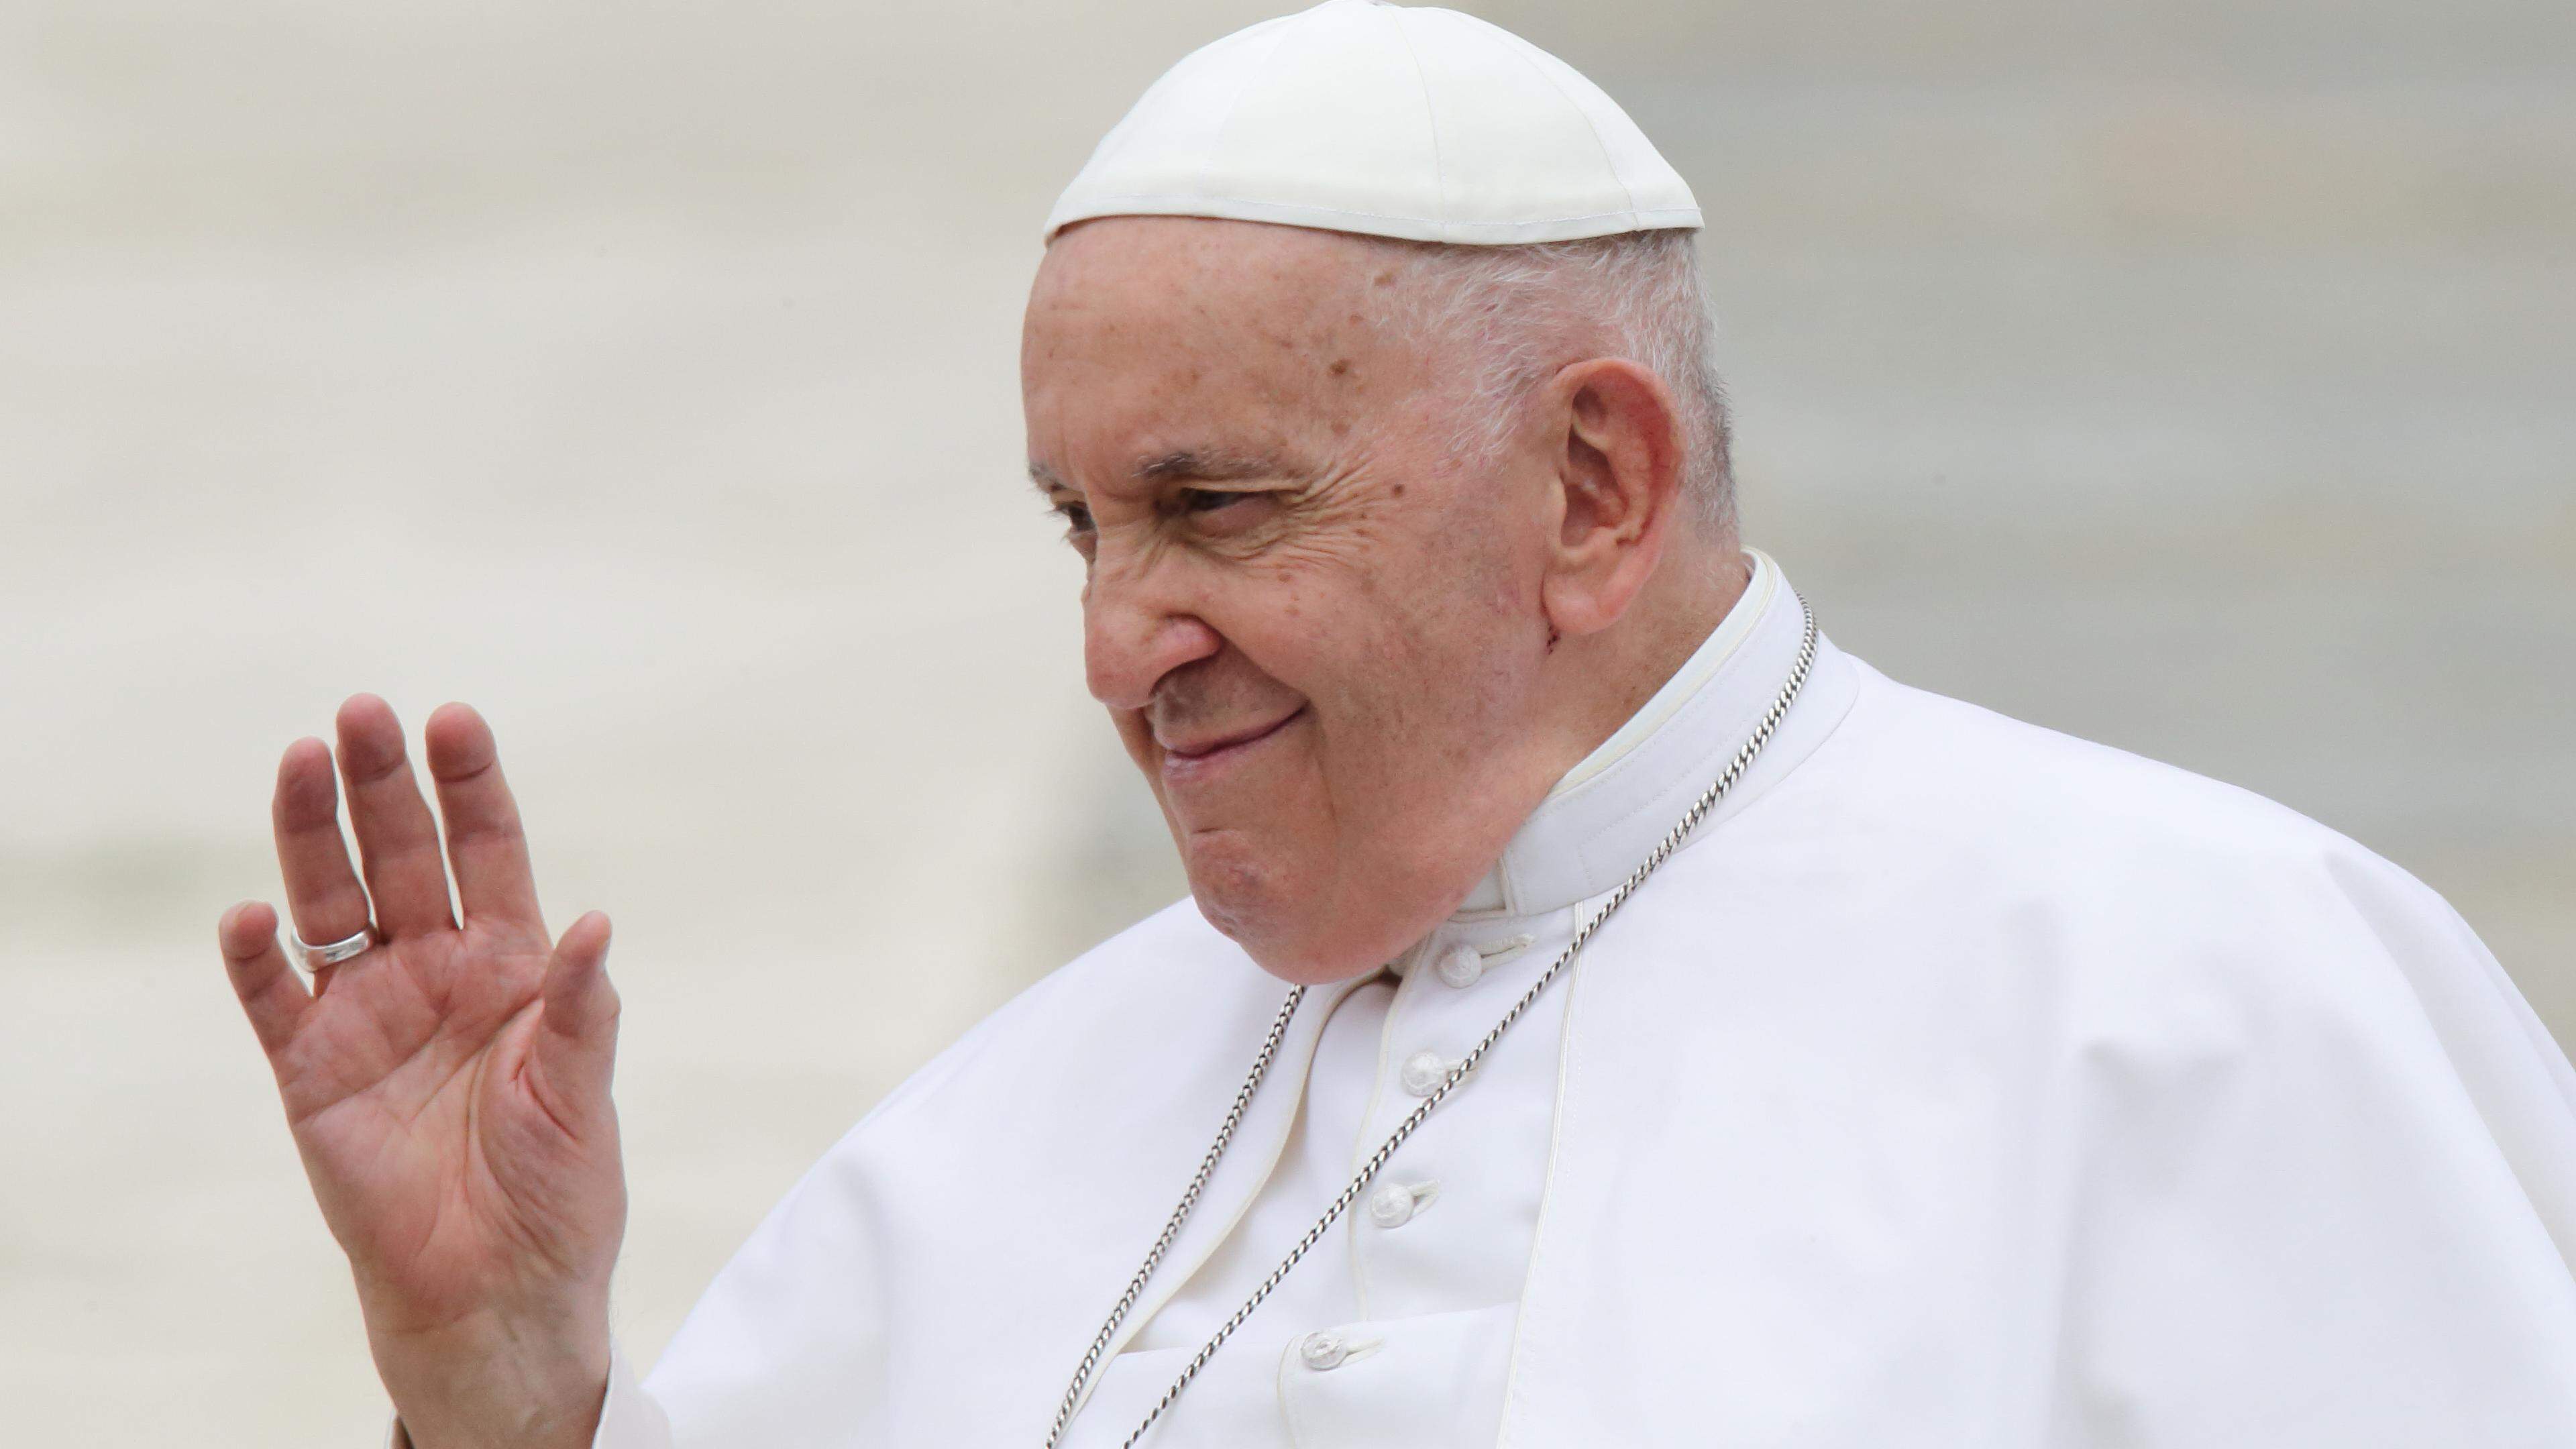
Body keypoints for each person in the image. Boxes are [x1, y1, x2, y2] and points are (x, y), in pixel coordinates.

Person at [215, 3, 2576, 1445]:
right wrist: (503, 1403)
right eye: (1079, 529)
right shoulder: (1021, 1124)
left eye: (1215, 509)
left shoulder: (2203, 994)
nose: (1121, 642)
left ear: (1592, 486)